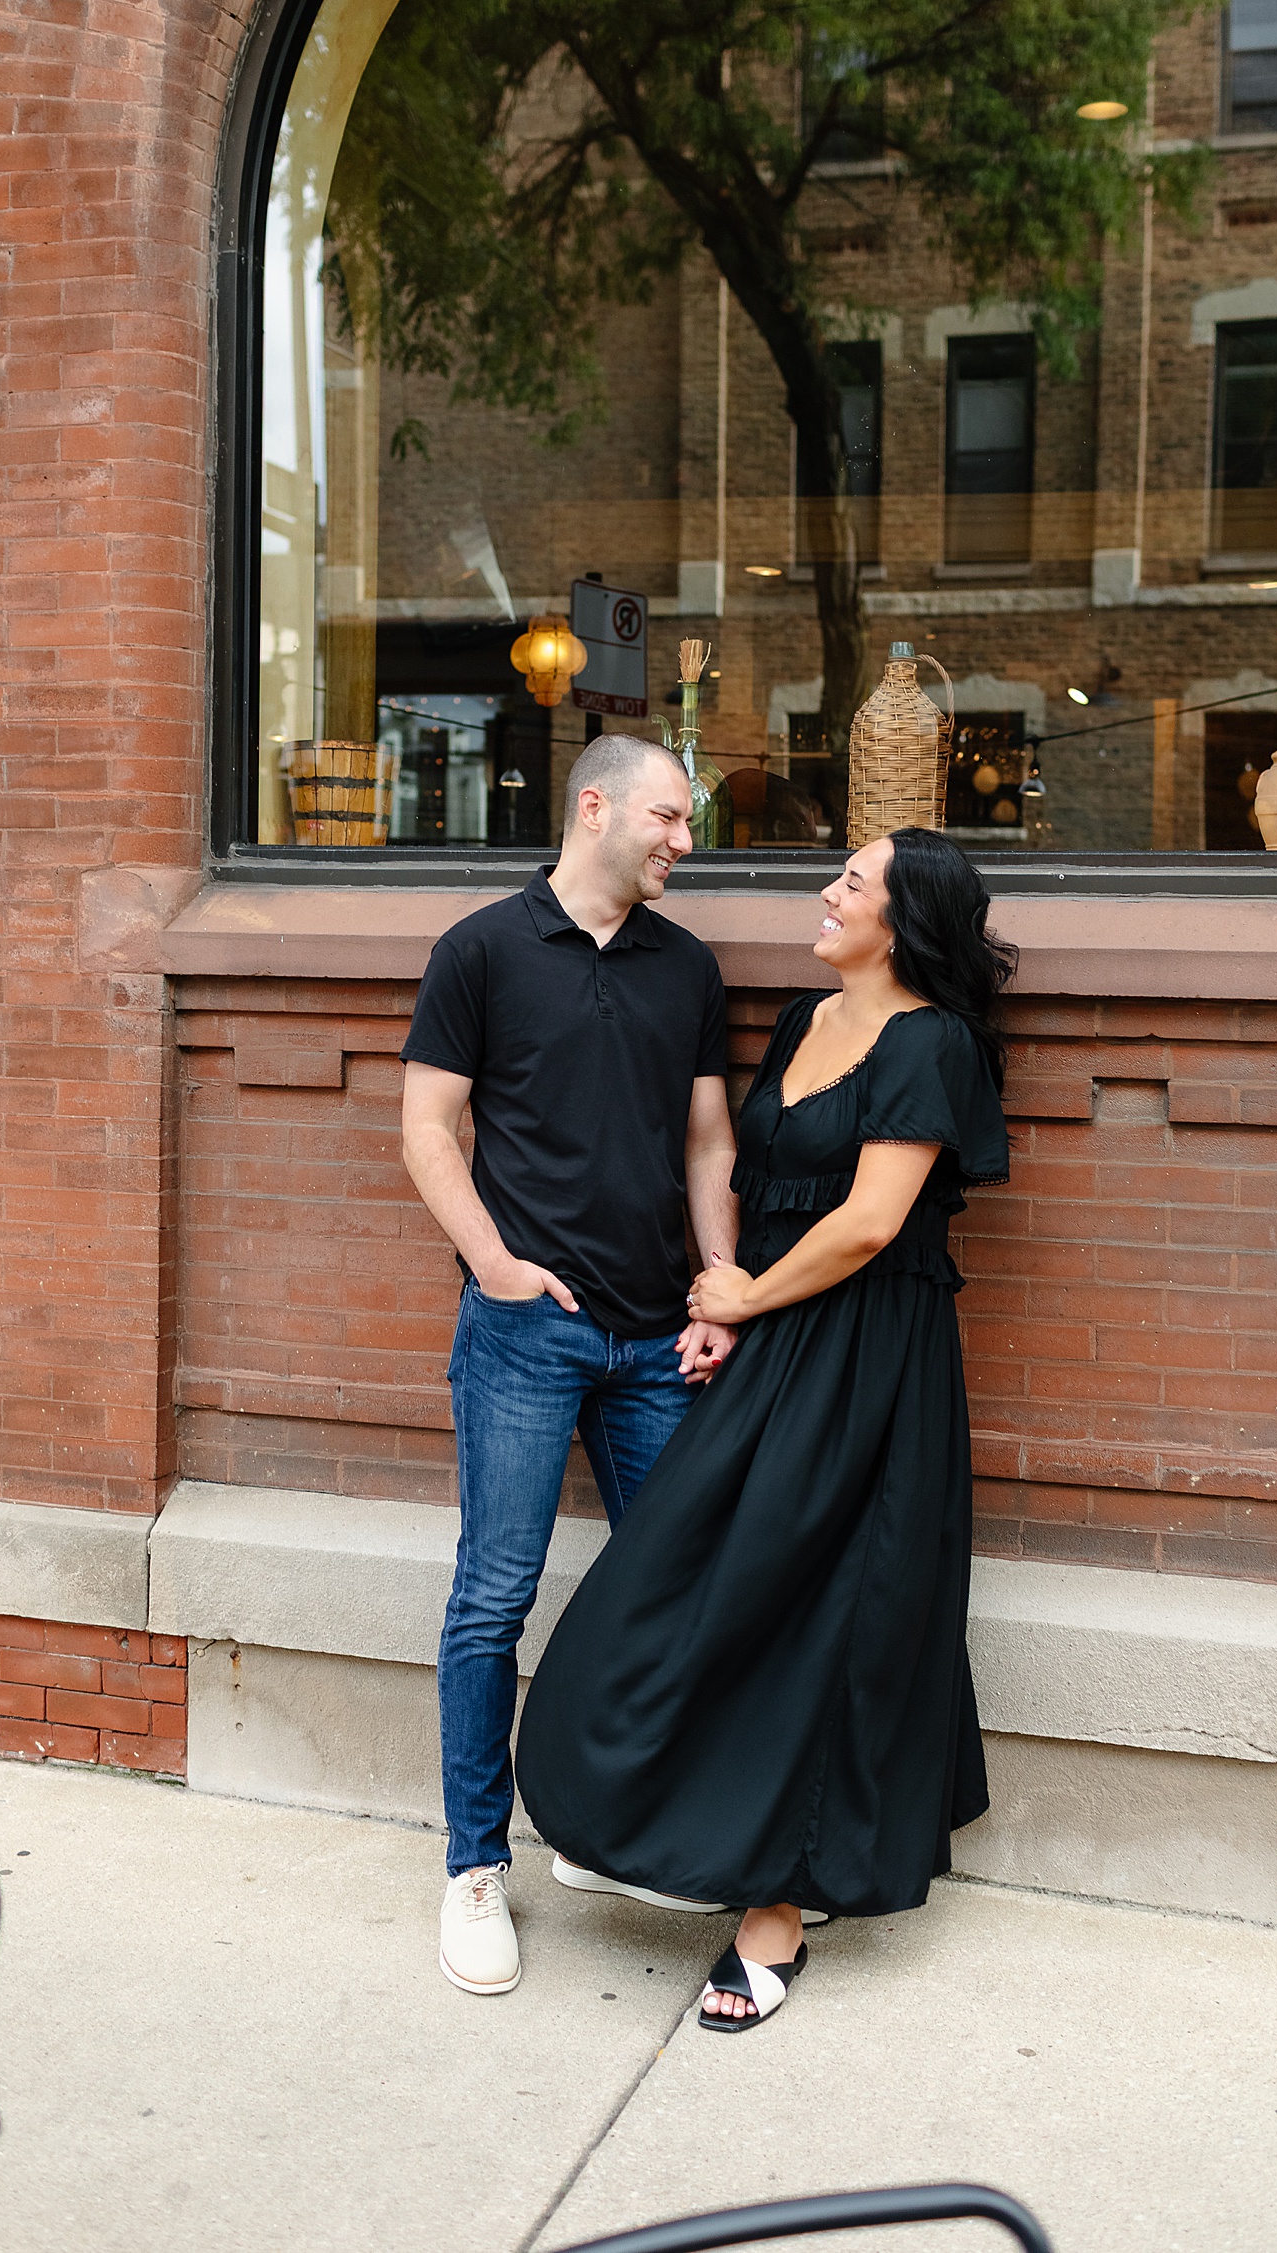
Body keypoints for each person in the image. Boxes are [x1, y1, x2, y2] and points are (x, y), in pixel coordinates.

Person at [515, 826, 1013, 2032]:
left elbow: (870, 1223)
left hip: (871, 1356)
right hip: (779, 1338)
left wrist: (743, 1294)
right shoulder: (803, 1021)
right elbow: (765, 1189)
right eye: (837, 870)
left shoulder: (928, 1041)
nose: (829, 890)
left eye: (854, 881)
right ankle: (649, 1818)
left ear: (902, 920)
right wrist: (730, 1307)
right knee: (681, 1576)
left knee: (822, 1609)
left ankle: (775, 1909)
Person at [401, 733, 740, 1997]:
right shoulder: (481, 950)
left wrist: (717, 1284)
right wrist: (491, 1262)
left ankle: (606, 1831)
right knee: (495, 1595)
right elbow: (428, 1126)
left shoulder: (685, 964)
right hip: (527, 1329)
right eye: (667, 816)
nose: (682, 843)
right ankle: (476, 1863)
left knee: (672, 1588)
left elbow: (707, 1139)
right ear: (593, 806)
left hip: (660, 1337)